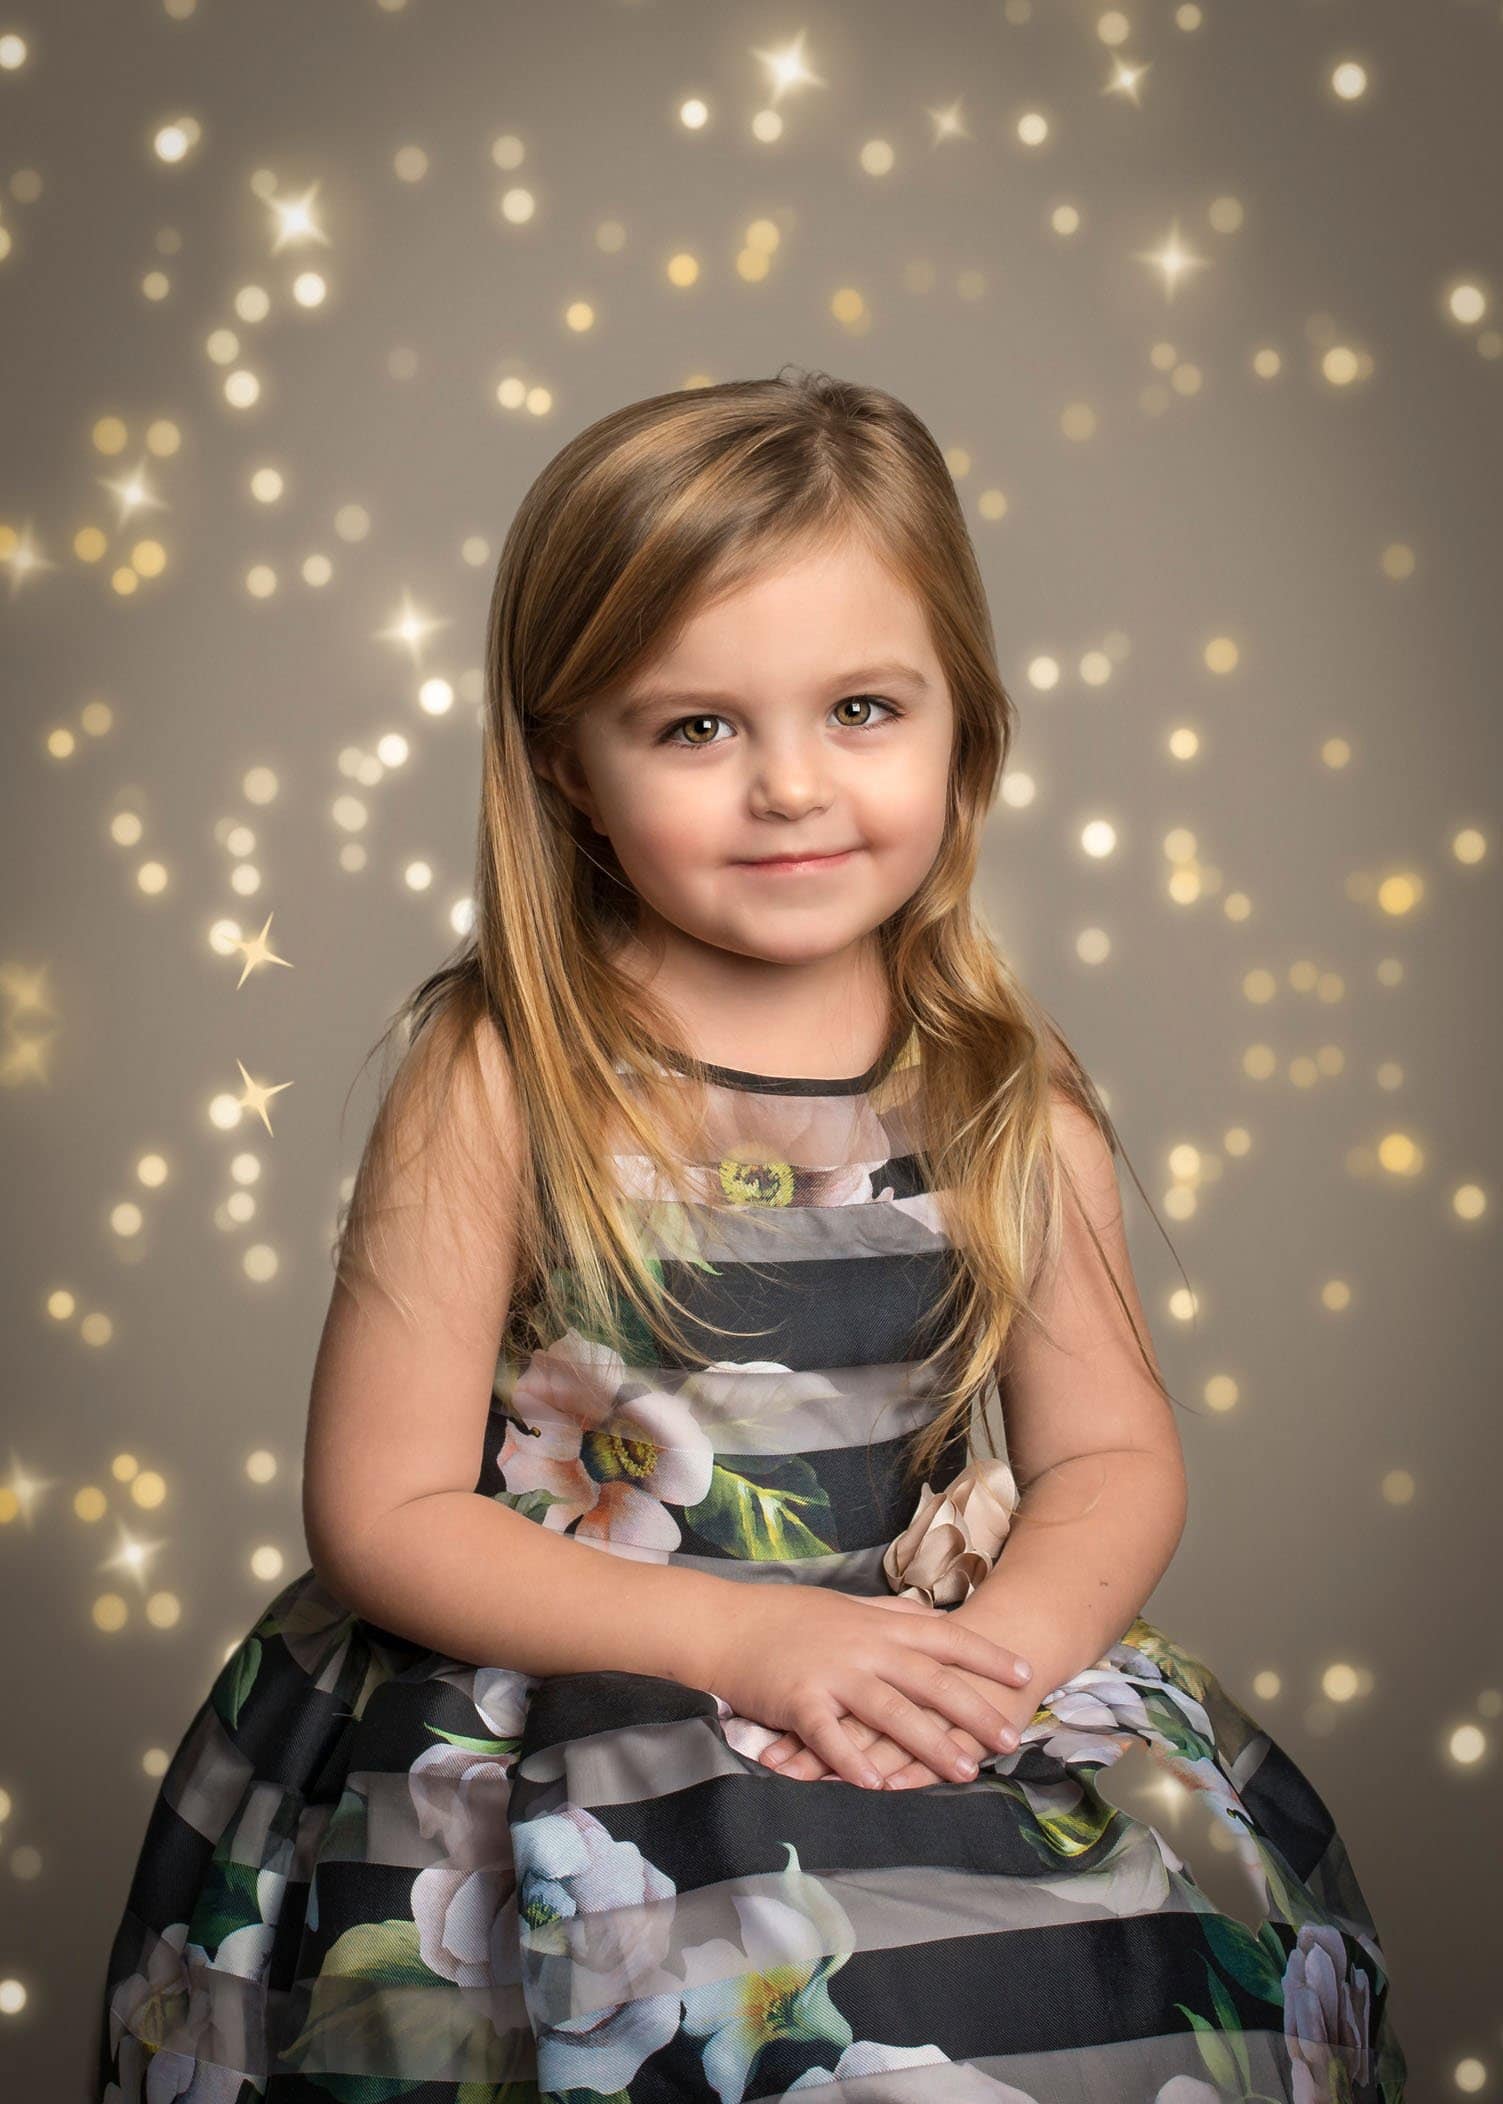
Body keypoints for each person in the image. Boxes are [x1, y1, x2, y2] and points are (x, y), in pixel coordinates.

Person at [94, 367, 1407, 2103]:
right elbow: (383, 1509)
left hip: (925, 1678)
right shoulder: (504, 1076)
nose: (791, 785)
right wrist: (752, 1643)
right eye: (698, 727)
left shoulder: (1005, 1091)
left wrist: (980, 1675)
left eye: (864, 708)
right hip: (576, 1704)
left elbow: (1111, 1457)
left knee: (1136, 1993)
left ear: (968, 727)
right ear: (570, 764)